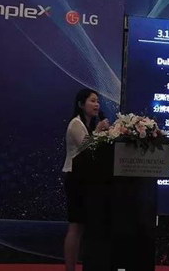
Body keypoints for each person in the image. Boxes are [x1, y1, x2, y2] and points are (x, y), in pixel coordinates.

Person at [62, 88, 109, 271]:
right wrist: (98, 131)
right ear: (81, 104)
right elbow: (84, 148)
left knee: (83, 227)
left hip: (87, 179)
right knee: (76, 226)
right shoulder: (76, 123)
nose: (97, 105)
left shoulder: (88, 125)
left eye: (98, 101)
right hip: (75, 178)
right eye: (92, 101)